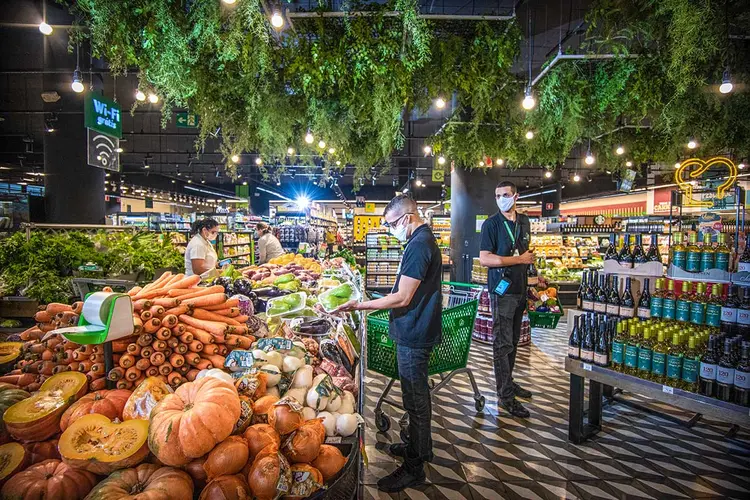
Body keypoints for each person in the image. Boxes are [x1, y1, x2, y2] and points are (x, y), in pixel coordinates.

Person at [337, 195, 442, 492]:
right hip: (414, 328)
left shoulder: (420, 244)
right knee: (414, 396)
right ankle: (417, 448)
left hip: (415, 332)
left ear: (407, 218)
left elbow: (403, 297)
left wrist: (359, 306)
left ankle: (414, 467)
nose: (391, 230)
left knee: (416, 399)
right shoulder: (418, 240)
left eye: (392, 224)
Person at [479, 181, 535, 418]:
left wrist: (534, 278)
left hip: (520, 289)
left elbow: (526, 254)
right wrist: (518, 261)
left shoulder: (524, 222)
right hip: (501, 292)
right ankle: (505, 396)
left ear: (516, 197)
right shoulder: (491, 224)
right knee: (502, 345)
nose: (501, 198)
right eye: (497, 195)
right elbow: (485, 259)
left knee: (513, 341)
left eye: (505, 195)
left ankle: (509, 382)